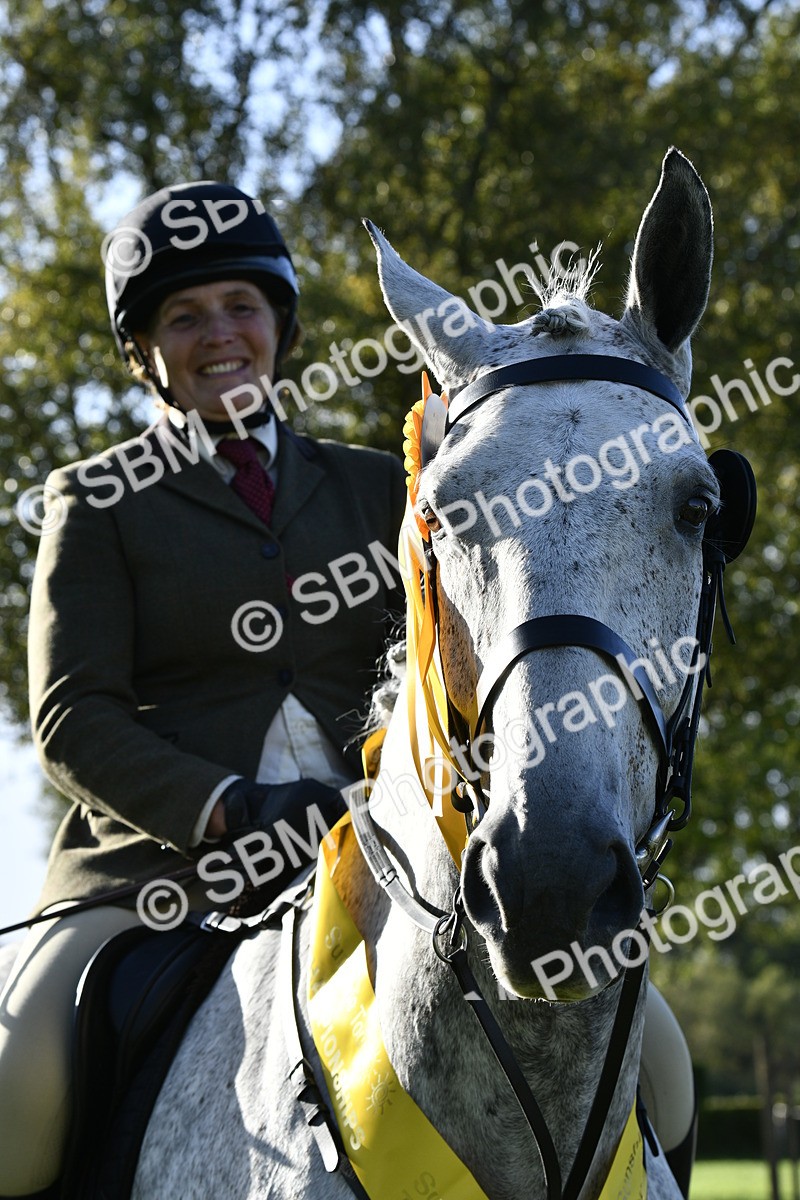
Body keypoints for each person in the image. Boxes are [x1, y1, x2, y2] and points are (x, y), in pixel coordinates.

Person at [0, 181, 407, 1198]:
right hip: (159, 876)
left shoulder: (379, 484)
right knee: (17, 1094)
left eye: (240, 306)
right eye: (183, 317)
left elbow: (441, 656)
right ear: (147, 354)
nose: (217, 334)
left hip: (386, 854)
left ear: (279, 327)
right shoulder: (94, 502)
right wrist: (230, 811)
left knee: (649, 1061)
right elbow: (71, 719)